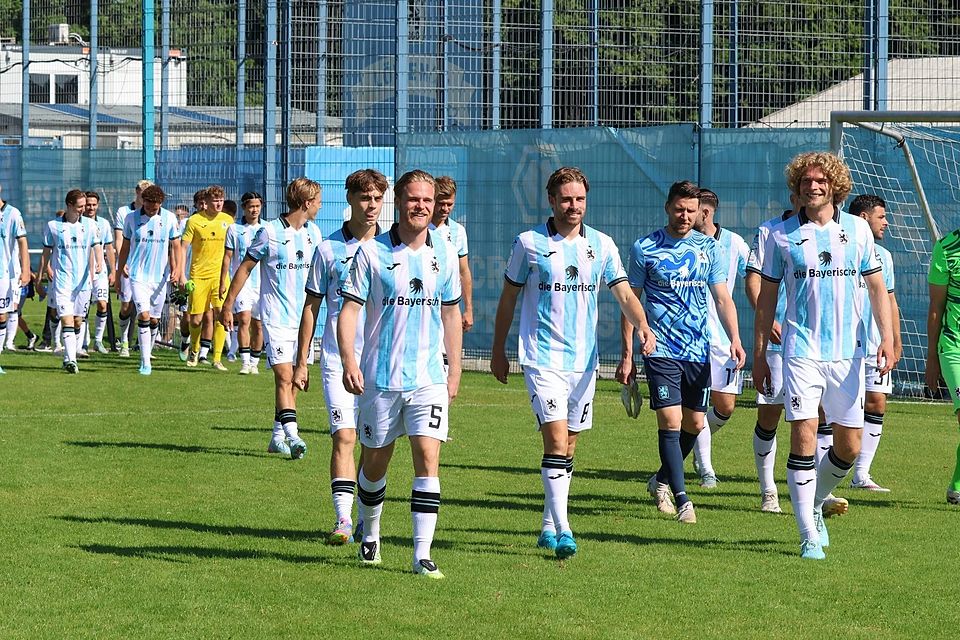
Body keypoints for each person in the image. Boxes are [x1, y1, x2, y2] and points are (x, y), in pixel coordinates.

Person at [491, 166, 656, 559]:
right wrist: (498, 348)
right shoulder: (529, 243)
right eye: (566, 199)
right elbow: (508, 300)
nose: (573, 206)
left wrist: (643, 326)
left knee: (569, 446)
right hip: (541, 358)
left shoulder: (601, 245)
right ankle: (565, 528)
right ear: (551, 200)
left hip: (584, 362)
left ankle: (548, 524)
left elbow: (624, 294)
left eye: (579, 199)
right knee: (555, 438)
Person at [753, 151, 894, 560]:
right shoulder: (781, 235)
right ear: (796, 188)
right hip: (801, 351)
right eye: (805, 182)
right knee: (803, 434)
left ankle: (815, 499)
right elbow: (767, 299)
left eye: (820, 181)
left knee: (849, 446)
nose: (812, 187)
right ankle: (807, 535)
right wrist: (761, 354)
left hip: (849, 354)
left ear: (834, 186)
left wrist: (886, 337)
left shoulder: (858, 230)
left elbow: (876, 288)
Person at [338, 169, 461, 578]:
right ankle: (370, 534)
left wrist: (455, 368)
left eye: (427, 200)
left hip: (428, 377)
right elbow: (349, 312)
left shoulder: (442, 252)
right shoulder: (370, 253)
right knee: (375, 463)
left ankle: (422, 553)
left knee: (428, 459)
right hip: (380, 380)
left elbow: (451, 312)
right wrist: (350, 362)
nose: (421, 206)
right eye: (413, 199)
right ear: (399, 202)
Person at [618, 180, 745, 525]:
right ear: (667, 207)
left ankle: (659, 479)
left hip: (698, 348)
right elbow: (630, 300)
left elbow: (721, 297)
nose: (685, 216)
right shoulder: (645, 248)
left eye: (691, 210)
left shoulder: (709, 249)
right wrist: (628, 351)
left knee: (695, 423)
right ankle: (682, 498)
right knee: (671, 422)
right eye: (679, 209)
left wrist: (734, 337)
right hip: (660, 348)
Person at [294, 168, 386, 545]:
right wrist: (303, 359)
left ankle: (365, 516)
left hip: (380, 360)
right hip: (335, 358)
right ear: (349, 200)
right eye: (365, 198)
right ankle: (344, 520)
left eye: (378, 198)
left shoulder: (392, 249)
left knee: (373, 444)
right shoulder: (328, 249)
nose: (372, 205)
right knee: (344, 437)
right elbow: (311, 307)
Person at [221, 178, 323, 459]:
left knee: (297, 380)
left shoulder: (315, 233)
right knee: (284, 376)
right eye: (317, 201)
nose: (320, 206)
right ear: (306, 203)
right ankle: (293, 435)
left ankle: (277, 436)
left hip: (305, 321)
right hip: (276, 318)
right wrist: (228, 304)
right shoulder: (269, 232)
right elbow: (244, 268)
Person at [689, 188, 749, 488]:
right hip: (691, 337)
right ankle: (706, 467)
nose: (686, 215)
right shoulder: (684, 243)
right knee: (697, 407)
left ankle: (696, 440)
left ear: (706, 213)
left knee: (725, 407)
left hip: (724, 337)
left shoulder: (734, 243)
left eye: (692, 209)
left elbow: (756, 275)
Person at [744, 196, 796, 514]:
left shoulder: (836, 230)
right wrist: (769, 321)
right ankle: (769, 490)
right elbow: (753, 281)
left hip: (815, 345)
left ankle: (817, 489)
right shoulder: (770, 231)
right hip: (777, 341)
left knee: (818, 418)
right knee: (770, 416)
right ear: (794, 195)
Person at [848, 194, 902, 492]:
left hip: (876, 344)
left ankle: (861, 475)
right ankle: (818, 468)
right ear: (865, 218)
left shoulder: (885, 256)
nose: (886, 222)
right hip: (844, 345)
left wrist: (894, 339)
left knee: (877, 403)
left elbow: (890, 300)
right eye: (881, 217)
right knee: (833, 410)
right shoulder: (843, 250)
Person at [115, 185, 182, 375]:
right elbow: (125, 248)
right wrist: (120, 274)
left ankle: (148, 352)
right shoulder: (131, 218)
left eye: (157, 206)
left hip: (160, 278)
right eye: (150, 206)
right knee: (143, 316)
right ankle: (145, 362)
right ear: (143, 201)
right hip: (137, 277)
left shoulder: (169, 218)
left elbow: (176, 246)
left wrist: (176, 269)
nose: (153, 209)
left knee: (154, 320)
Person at [37, 190, 103, 373]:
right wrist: (39, 276)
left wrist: (99, 263)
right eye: (80, 206)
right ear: (70, 205)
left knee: (77, 321)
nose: (84, 209)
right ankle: (71, 360)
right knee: (66, 319)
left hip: (83, 283)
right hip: (62, 281)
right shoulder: (53, 226)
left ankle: (68, 356)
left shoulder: (90, 225)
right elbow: (46, 253)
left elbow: (96, 246)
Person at [925, 225, 960, 505]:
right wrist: (931, 359)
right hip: (953, 348)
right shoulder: (946, 248)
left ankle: (956, 487)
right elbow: (936, 308)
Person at [182, 185, 234, 370]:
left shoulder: (228, 221)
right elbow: (183, 247)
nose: (219, 203)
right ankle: (194, 349)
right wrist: (181, 274)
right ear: (206, 202)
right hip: (199, 276)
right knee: (195, 319)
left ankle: (217, 358)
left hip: (220, 277)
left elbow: (232, 250)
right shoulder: (194, 221)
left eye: (221, 200)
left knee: (221, 316)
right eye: (215, 200)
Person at [220, 192, 265, 375]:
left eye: (257, 206)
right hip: (242, 284)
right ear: (244, 208)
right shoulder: (234, 229)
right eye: (250, 207)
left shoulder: (267, 229)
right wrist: (223, 281)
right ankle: (245, 362)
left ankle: (255, 361)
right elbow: (227, 257)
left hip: (262, 283)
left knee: (259, 324)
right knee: (244, 319)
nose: (254, 210)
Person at [113, 180, 152, 357]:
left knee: (147, 310)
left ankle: (145, 347)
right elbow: (120, 239)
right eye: (143, 192)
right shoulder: (124, 212)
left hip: (149, 268)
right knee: (126, 305)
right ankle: (124, 341)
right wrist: (123, 263)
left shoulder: (155, 214)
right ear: (136, 191)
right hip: (129, 265)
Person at [430, 176, 474, 333]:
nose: (445, 209)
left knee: (448, 354)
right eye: (441, 203)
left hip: (449, 306)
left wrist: (468, 309)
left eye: (450, 204)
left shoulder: (458, 231)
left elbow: (464, 271)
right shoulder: (418, 229)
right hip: (424, 303)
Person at [0, 184, 31, 373]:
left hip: (3, 275)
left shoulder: (12, 214)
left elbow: (22, 242)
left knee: (2, 314)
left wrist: (26, 270)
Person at [82, 191, 116, 354]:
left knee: (103, 304)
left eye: (94, 205)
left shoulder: (103, 224)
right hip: (81, 272)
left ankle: (98, 341)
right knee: (83, 308)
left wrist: (112, 270)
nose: (91, 207)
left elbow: (109, 247)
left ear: (98, 205)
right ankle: (83, 341)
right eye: (88, 204)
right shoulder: (78, 223)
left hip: (100, 271)